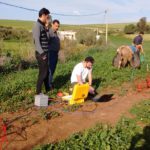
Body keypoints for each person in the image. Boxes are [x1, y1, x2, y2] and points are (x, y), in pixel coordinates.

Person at [32, 8, 50, 94]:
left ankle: (48, 89)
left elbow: (47, 38)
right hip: (41, 54)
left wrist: (46, 27)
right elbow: (36, 41)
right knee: (43, 73)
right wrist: (43, 54)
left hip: (44, 53)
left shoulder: (42, 26)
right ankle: (38, 92)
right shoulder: (37, 25)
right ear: (43, 15)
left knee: (46, 72)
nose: (48, 18)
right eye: (47, 16)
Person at [47, 19, 60, 88]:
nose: (57, 27)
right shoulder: (49, 32)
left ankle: (50, 82)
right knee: (50, 69)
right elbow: (46, 43)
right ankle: (49, 85)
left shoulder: (55, 33)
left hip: (55, 53)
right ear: (52, 24)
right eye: (56, 26)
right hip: (51, 53)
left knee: (53, 69)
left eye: (58, 26)